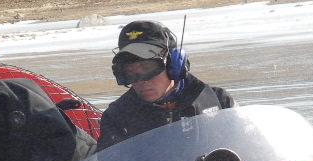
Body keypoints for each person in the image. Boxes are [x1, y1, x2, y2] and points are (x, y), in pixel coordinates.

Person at [97, 20, 237, 150]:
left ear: (173, 64)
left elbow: (247, 149)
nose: (140, 81)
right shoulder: (117, 117)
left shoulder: (219, 100)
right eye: (130, 71)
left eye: (147, 68)